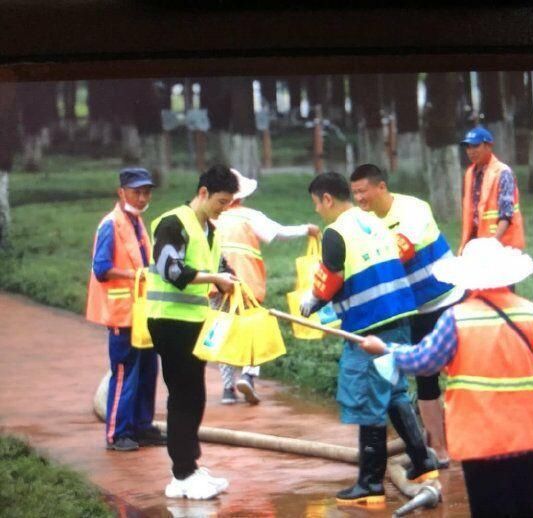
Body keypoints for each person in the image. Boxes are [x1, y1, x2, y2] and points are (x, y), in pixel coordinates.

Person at [359, 238, 533, 517]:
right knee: (526, 504)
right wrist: (532, 386)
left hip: (480, 437)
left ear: (468, 281)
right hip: (526, 433)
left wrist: (386, 349)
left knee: (487, 508)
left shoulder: (457, 319)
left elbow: (424, 361)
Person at [299, 172, 439, 507]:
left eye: (317, 205)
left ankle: (370, 484)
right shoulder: (373, 220)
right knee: (393, 391)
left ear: (327, 200)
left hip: (370, 325)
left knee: (367, 397)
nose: (318, 211)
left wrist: (311, 301)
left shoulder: (336, 232)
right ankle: (423, 464)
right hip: (401, 315)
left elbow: (330, 278)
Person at [350, 163, 465, 467]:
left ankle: (471, 439)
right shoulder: (361, 221)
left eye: (363, 191)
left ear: (381, 187)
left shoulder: (413, 209)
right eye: (354, 194)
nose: (359, 198)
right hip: (411, 308)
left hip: (447, 299)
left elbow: (401, 251)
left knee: (462, 371)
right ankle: (440, 450)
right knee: (425, 378)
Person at [146, 164, 238, 500]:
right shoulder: (174, 223)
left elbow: (219, 268)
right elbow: (170, 269)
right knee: (183, 396)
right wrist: (215, 280)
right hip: (169, 322)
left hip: (194, 323)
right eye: (221, 201)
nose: (224, 208)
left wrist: (229, 281)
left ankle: (190, 467)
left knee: (194, 395)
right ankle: (181, 474)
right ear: (203, 193)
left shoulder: (209, 230)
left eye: (228, 202)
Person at [214, 168, 320, 405]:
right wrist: (307, 229)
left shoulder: (213, 216)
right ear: (241, 196)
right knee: (253, 330)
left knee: (223, 332)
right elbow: (278, 233)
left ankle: (227, 389)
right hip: (246, 283)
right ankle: (249, 376)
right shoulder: (249, 216)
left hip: (216, 285)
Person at [86, 167, 166, 452]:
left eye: (146, 192)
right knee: (125, 372)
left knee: (147, 369)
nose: (143, 197)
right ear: (121, 192)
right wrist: (135, 276)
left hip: (143, 312)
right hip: (123, 313)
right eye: (137, 192)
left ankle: (142, 427)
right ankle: (118, 433)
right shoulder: (111, 223)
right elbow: (102, 268)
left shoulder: (136, 221)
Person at [459, 126, 525, 253]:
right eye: (468, 147)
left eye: (475, 146)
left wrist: (493, 244)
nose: (470, 151)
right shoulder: (469, 173)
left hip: (502, 245)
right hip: (476, 244)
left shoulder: (503, 172)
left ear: (488, 146)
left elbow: (506, 213)